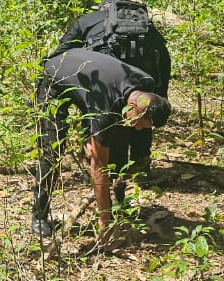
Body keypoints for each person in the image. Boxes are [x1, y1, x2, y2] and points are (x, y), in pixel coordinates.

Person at [31, 48, 171, 245]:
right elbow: (99, 166)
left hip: (88, 80)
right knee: (53, 150)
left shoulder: (146, 83)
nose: (139, 129)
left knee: (119, 140)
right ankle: (39, 213)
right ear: (131, 108)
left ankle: (119, 205)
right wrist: (103, 219)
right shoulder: (106, 106)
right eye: (139, 123)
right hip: (54, 77)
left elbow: (116, 143)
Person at [51, 0, 171, 189]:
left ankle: (107, 169)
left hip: (108, 72)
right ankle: (141, 166)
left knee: (101, 116)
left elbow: (63, 51)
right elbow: (163, 60)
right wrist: (161, 95)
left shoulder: (89, 19)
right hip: (147, 72)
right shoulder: (147, 28)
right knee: (147, 114)